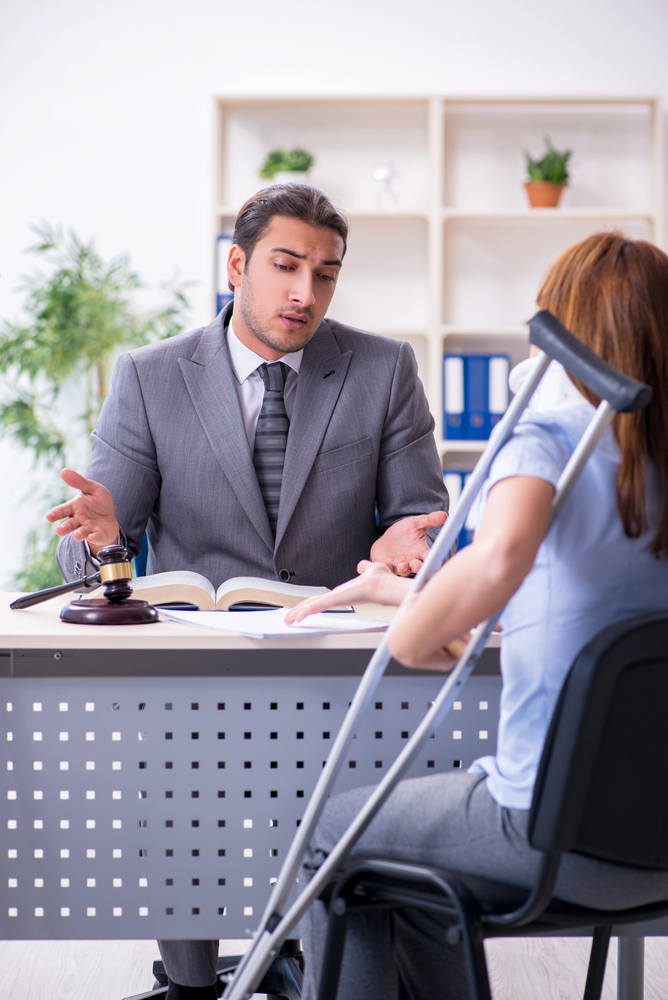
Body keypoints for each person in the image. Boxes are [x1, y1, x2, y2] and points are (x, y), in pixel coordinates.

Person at [46, 184, 449, 999]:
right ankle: (192, 984)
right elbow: (87, 555)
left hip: (330, 668)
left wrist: (405, 546)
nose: (306, 292)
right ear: (236, 266)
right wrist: (103, 542)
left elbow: (420, 521)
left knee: (337, 822)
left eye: (326, 274)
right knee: (174, 794)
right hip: (191, 673)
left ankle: (317, 966)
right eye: (286, 266)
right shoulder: (152, 377)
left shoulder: (382, 369)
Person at [285, 232, 668, 1000]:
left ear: (560, 332)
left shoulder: (546, 434)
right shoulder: (651, 462)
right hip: (653, 844)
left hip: (544, 833)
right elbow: (562, 597)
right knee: (412, 882)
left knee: (332, 832)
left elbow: (499, 559)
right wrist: (400, 592)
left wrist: (411, 632)